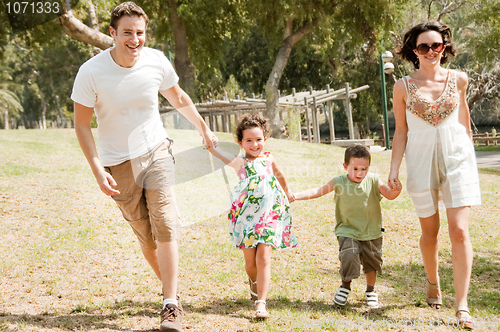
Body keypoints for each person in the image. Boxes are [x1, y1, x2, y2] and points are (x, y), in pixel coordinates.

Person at [71, 2, 217, 331]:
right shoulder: (91, 72)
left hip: (156, 151)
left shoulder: (155, 61)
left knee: (165, 222)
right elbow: (82, 125)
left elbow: (177, 96)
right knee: (147, 238)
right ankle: (174, 292)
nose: (135, 40)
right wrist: (97, 170)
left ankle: (169, 304)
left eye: (140, 33)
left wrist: (202, 127)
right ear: (112, 33)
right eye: (127, 33)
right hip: (117, 163)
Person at [388, 21, 481, 329]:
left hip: (458, 161)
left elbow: (464, 121)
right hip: (420, 162)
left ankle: (462, 305)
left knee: (459, 231)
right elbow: (400, 131)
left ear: (444, 47)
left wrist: (470, 158)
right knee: (431, 233)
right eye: (424, 47)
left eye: (436, 45)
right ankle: (432, 282)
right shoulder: (402, 86)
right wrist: (393, 170)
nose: (431, 51)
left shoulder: (459, 80)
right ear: (415, 51)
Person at [208, 114, 298, 318]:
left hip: (268, 215)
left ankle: (261, 303)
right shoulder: (240, 162)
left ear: (265, 139)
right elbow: (219, 153)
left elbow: (280, 175)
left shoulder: (269, 158)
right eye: (249, 140)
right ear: (240, 142)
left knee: (264, 257)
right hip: (246, 218)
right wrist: (211, 144)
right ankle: (253, 282)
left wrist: (288, 190)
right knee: (250, 263)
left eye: (258, 139)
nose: (254, 144)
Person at [294, 144, 401, 309]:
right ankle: (345, 285)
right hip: (347, 230)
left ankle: (371, 291)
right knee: (349, 257)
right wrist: (295, 196)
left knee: (372, 263)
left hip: (371, 231)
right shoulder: (339, 182)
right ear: (345, 166)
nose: (360, 173)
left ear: (369, 167)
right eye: (355, 168)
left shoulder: (373, 180)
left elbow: (389, 195)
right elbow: (318, 191)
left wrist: (396, 190)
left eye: (364, 169)